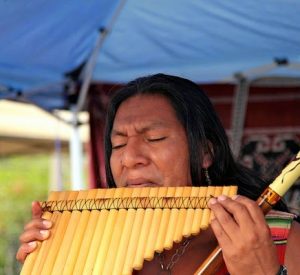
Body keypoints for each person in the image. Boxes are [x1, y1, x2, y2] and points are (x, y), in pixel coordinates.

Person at [17, 74, 300, 274]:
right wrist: (47, 262)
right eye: (118, 144)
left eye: (154, 139)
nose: (129, 158)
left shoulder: (279, 237)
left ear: (205, 152)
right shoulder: (87, 245)